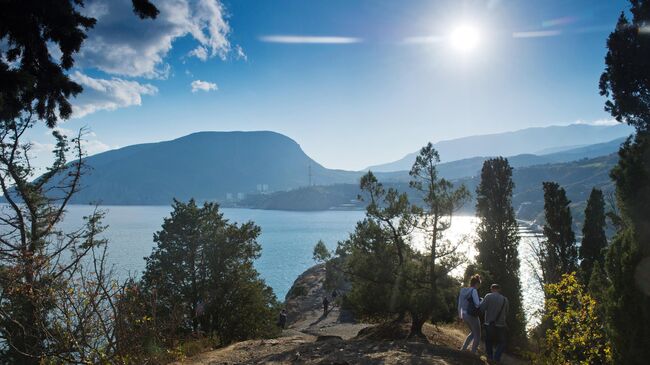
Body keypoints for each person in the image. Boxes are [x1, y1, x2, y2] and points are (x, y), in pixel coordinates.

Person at [479, 283, 509, 362]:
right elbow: (506, 312)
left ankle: (490, 357)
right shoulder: (505, 299)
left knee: (489, 340)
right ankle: (496, 357)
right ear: (499, 290)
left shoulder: (488, 296)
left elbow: (482, 308)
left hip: (489, 322)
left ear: (492, 289)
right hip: (501, 324)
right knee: (502, 342)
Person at [458, 274, 482, 354]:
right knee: (477, 335)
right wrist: (482, 300)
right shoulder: (473, 290)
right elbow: (477, 304)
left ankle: (463, 349)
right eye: (479, 285)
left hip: (464, 315)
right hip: (472, 315)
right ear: (476, 284)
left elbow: (459, 304)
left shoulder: (463, 290)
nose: (479, 287)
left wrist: (460, 316)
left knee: (473, 332)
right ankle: (473, 353)